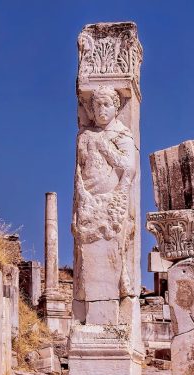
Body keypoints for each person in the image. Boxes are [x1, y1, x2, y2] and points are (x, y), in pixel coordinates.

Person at [73, 85, 136, 298]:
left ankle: (121, 280)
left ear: (116, 108)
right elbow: (80, 167)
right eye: (97, 105)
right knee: (86, 247)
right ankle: (87, 290)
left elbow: (129, 167)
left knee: (115, 244)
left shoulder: (121, 134)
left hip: (112, 199)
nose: (102, 110)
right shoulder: (84, 135)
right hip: (88, 198)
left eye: (107, 105)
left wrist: (119, 194)